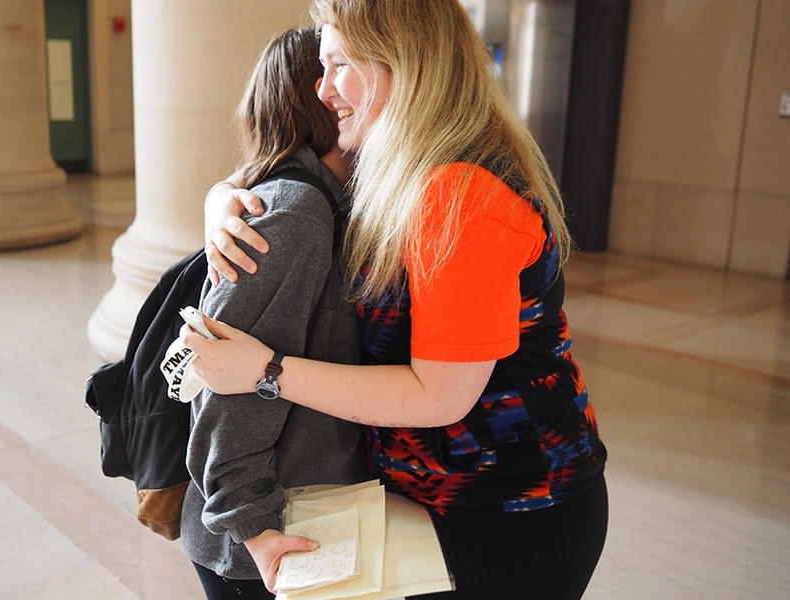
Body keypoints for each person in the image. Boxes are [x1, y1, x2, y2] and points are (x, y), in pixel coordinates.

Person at [185, 1, 608, 599]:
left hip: (512, 510)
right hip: (439, 498)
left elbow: (440, 396)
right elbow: (299, 194)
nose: (322, 87)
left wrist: (267, 371)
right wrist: (227, 193)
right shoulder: (403, 170)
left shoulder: (457, 193)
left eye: (337, 64)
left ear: (400, 65)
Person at [179, 26, 370, 599]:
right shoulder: (297, 215)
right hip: (261, 542)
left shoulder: (325, 203)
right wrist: (253, 525)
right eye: (335, 70)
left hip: (296, 513)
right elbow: (223, 378)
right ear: (322, 97)